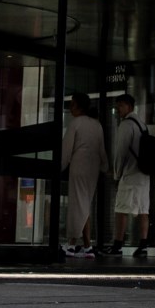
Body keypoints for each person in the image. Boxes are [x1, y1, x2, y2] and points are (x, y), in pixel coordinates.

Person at [102, 94, 151, 258]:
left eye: (121, 106)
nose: (118, 109)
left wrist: (116, 174)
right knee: (143, 210)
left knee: (121, 209)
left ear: (129, 106)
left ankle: (117, 245)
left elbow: (121, 152)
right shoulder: (142, 125)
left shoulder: (126, 125)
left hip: (130, 175)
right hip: (144, 175)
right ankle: (143, 246)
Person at [60, 93, 107, 258]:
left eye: (72, 104)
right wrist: (105, 167)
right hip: (93, 168)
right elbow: (102, 149)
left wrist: (59, 166)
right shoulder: (97, 125)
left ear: (79, 106)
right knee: (84, 204)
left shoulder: (75, 123)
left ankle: (71, 244)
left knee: (77, 204)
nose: (70, 108)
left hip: (79, 165)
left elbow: (66, 150)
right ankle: (87, 246)